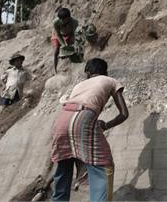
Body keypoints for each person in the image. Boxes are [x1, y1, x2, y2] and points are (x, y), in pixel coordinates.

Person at [50, 58, 128, 201]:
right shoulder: (110, 80)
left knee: (64, 163)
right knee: (103, 165)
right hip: (84, 117)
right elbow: (124, 114)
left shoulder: (79, 85)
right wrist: (105, 125)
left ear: (87, 72)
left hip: (62, 118)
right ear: (105, 71)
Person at [52, 7, 79, 73]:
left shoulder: (74, 23)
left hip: (69, 34)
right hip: (58, 34)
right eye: (60, 19)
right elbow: (57, 34)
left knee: (71, 49)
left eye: (63, 19)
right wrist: (63, 44)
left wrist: (70, 44)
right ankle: (55, 69)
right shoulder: (55, 22)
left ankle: (73, 65)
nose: (62, 21)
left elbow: (74, 34)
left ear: (69, 18)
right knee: (56, 50)